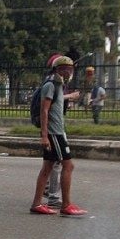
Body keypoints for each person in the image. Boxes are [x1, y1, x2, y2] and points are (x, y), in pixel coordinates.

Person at [30, 54, 88, 216]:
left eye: (70, 69)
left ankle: (37, 204)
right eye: (63, 69)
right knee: (68, 166)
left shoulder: (58, 85)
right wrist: (44, 135)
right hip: (54, 133)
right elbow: (44, 110)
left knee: (47, 168)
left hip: (56, 131)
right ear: (56, 70)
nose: (68, 72)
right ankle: (66, 205)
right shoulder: (51, 85)